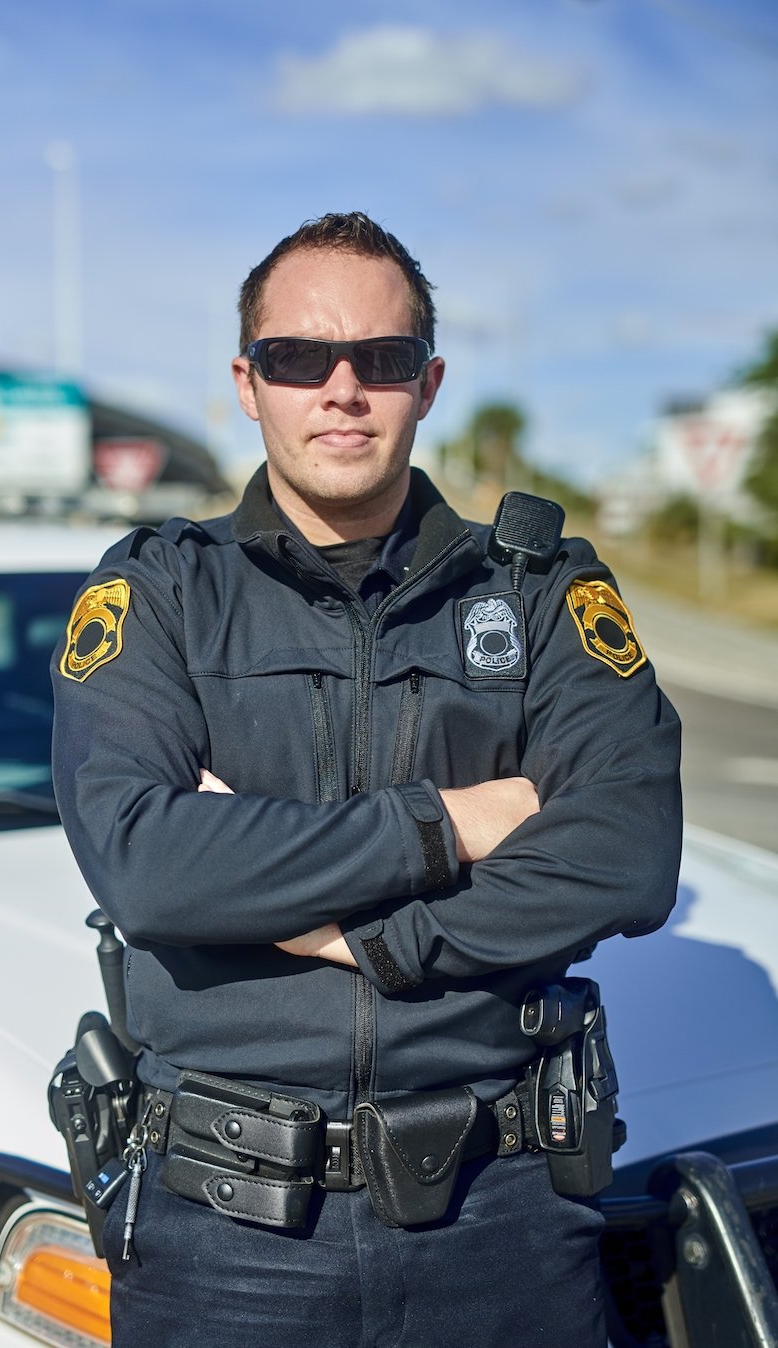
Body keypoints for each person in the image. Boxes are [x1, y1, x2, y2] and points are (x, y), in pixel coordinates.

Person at [51, 211, 682, 1347]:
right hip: (226, 1237)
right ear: (248, 384)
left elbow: (628, 853)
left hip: (504, 1214)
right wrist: (449, 825)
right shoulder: (160, 592)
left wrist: (370, 938)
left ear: (427, 383)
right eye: (299, 357)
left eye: (380, 358)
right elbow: (147, 865)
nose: (341, 389)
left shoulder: (539, 592)